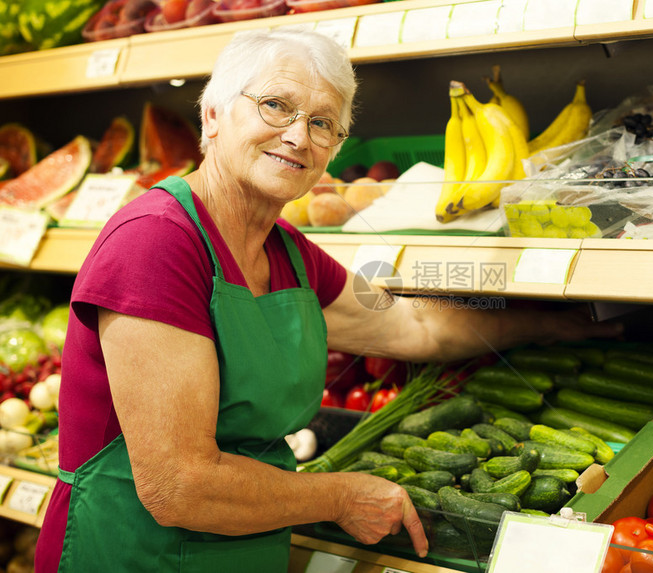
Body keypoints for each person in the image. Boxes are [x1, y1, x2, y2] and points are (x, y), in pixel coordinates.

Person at [34, 28, 622, 572]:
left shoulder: (290, 251)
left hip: (242, 550)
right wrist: (341, 495)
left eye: (323, 124)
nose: (298, 136)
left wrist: (551, 325)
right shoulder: (155, 243)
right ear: (212, 115)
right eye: (276, 107)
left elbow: (413, 325)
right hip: (132, 554)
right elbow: (179, 485)